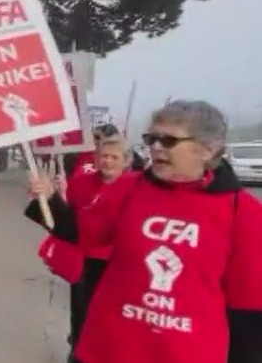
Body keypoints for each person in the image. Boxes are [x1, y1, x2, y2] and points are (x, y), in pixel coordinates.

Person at [25, 100, 262, 363]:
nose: (156, 147)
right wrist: (47, 200)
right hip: (109, 346)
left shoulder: (242, 211)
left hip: (186, 352)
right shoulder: (129, 188)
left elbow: (249, 306)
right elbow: (82, 232)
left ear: (207, 149)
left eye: (168, 140)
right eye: (152, 139)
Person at [40, 134, 133, 362]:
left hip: (118, 264)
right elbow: (66, 221)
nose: (107, 161)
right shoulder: (82, 182)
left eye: (114, 157)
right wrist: (49, 197)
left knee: (110, 316)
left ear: (126, 161)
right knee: (81, 310)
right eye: (103, 156)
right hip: (85, 259)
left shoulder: (136, 188)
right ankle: (78, 350)